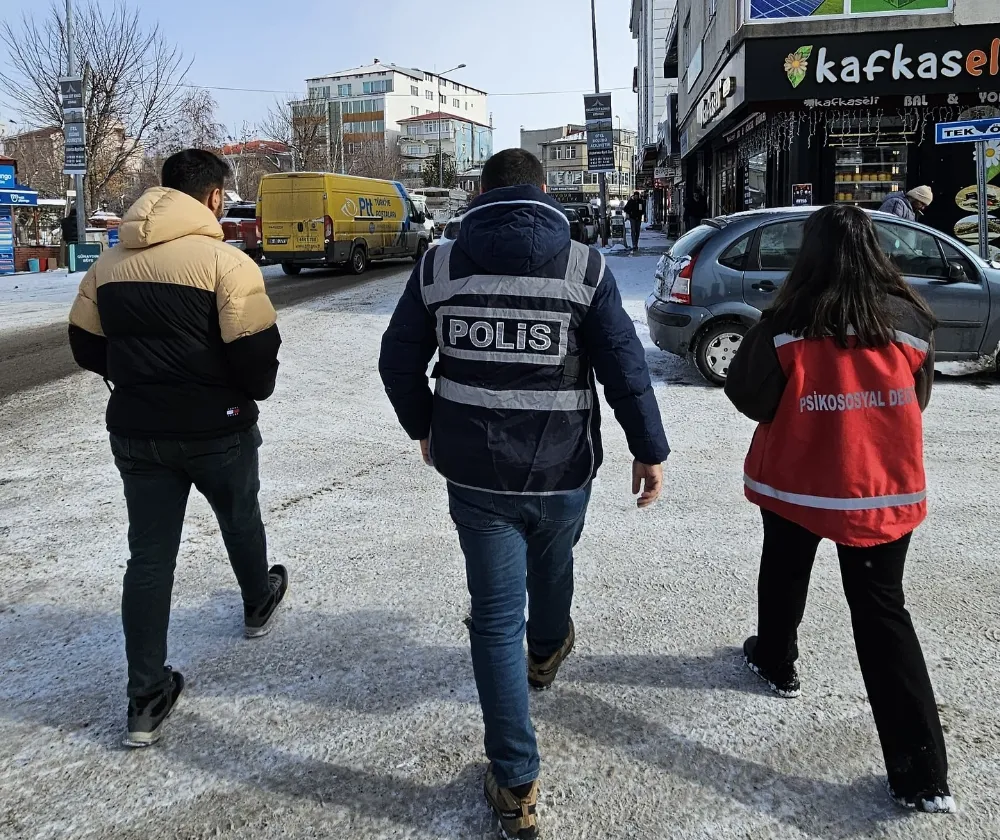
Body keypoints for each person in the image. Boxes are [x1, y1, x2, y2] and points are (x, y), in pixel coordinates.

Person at [379, 148, 670, 838]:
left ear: (480, 192)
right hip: (564, 467)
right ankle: (547, 650)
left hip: (476, 478)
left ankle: (515, 782)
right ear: (543, 190)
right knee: (553, 564)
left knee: (493, 618)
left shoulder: (440, 264)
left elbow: (397, 360)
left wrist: (425, 425)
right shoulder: (582, 265)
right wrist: (648, 449)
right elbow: (624, 368)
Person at [724, 205, 954, 815]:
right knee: (883, 614)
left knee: (783, 568)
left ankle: (776, 661)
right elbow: (918, 399)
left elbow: (748, 396)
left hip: (799, 483)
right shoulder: (911, 320)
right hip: (882, 487)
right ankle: (922, 774)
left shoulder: (787, 320)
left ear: (811, 254)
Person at [67, 149, 287, 748]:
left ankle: (145, 696)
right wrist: (236, 392)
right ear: (215, 197)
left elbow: (84, 348)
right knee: (241, 519)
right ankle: (256, 601)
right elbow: (256, 361)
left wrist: (138, 376)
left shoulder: (108, 263)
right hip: (218, 429)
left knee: (149, 558)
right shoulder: (228, 263)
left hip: (137, 433)